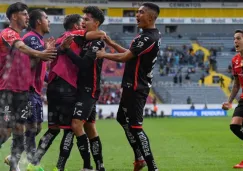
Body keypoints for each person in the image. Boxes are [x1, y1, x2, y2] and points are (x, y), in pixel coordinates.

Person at [27, 13, 106, 171]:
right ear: (76, 26)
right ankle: (61, 168)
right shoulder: (74, 35)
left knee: (54, 129)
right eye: (82, 22)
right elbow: (101, 34)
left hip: (53, 87)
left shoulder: (59, 38)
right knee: (70, 128)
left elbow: (56, 53)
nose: (83, 24)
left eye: (86, 21)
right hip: (67, 87)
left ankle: (32, 164)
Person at [97, 2, 160, 171]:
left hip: (136, 88)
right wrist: (111, 44)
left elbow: (125, 57)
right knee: (121, 118)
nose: (137, 15)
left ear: (151, 16)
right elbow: (130, 54)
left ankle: (152, 166)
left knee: (136, 128)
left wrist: (104, 54)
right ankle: (139, 158)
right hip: (131, 85)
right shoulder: (148, 36)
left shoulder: (147, 37)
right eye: (137, 12)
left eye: (141, 12)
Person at [0, 2, 56, 171]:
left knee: (18, 131)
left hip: (23, 91)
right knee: (5, 132)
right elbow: (20, 46)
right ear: (14, 16)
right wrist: (42, 53)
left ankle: (14, 166)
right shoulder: (8, 33)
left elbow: (29, 63)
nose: (27, 17)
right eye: (24, 14)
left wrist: (42, 55)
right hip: (7, 90)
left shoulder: (23, 43)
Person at [65, 6, 106, 171]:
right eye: (83, 19)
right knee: (90, 128)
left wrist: (67, 50)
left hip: (90, 90)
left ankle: (87, 166)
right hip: (83, 90)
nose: (83, 21)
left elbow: (83, 64)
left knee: (76, 125)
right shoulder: (87, 40)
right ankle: (100, 166)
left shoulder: (97, 43)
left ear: (96, 23)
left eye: (87, 19)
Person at [222, 29, 243, 169]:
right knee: (235, 126)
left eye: (239, 38)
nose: (235, 41)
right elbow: (236, 84)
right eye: (234, 39)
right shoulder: (235, 60)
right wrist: (229, 101)